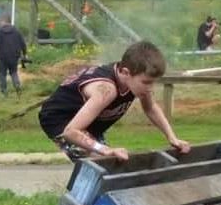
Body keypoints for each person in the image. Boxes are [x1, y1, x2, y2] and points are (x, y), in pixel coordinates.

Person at [38, 41, 191, 162]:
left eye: (153, 82)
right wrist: (104, 149)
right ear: (126, 72)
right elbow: (71, 132)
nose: (150, 88)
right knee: (101, 162)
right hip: (61, 120)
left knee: (111, 162)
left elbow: (150, 108)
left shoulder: (134, 80)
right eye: (146, 82)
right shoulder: (106, 90)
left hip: (90, 123)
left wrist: (172, 137)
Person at [0, 16, 26, 97]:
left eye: (1, 22)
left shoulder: (0, 32)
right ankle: (17, 85)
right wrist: (24, 53)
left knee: (2, 74)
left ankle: (4, 91)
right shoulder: (16, 31)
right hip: (14, 55)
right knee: (14, 72)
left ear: (4, 21)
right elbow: (22, 43)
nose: (0, 23)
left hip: (3, 56)